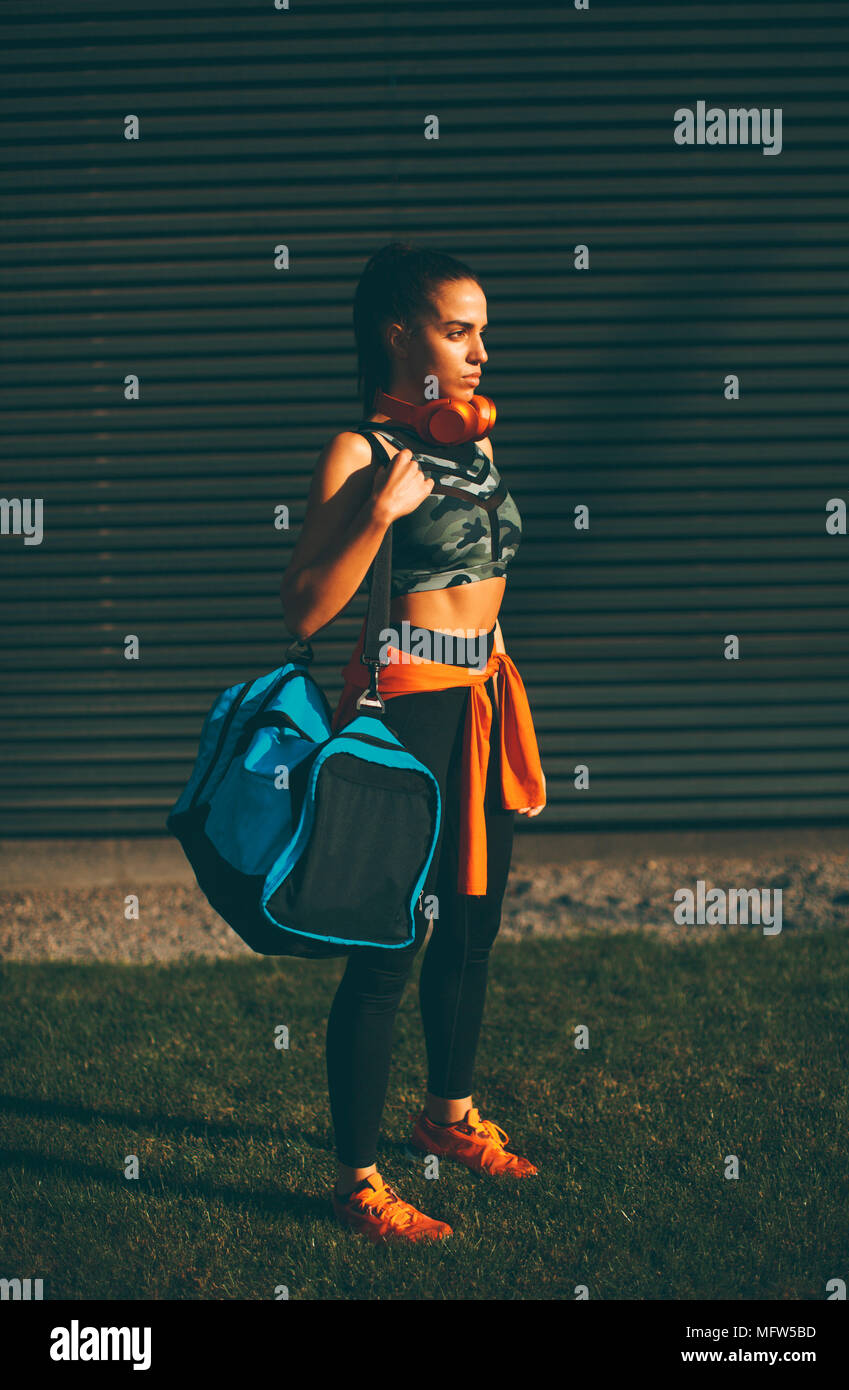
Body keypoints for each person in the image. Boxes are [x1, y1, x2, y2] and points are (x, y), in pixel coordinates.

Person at [280, 241, 547, 1244]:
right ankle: (355, 1182)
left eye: (481, 330)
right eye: (458, 329)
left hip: (480, 704)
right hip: (404, 713)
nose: (481, 349)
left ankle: (446, 1120)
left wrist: (511, 716)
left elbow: (485, 585)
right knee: (387, 950)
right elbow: (304, 609)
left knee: (470, 929)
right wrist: (377, 513)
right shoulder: (357, 452)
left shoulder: (471, 441)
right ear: (400, 334)